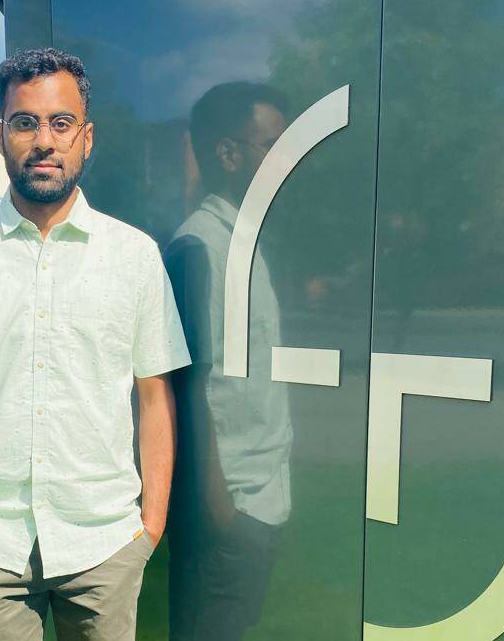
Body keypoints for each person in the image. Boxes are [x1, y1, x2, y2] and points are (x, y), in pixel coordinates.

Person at [0, 47, 191, 641]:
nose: (44, 140)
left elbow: (154, 395)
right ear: (2, 135)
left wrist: (149, 525)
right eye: (25, 122)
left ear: (86, 137)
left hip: (105, 543)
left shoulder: (133, 257)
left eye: (61, 123)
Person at [165, 82, 292, 641]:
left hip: (260, 495)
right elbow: (186, 388)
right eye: (272, 145)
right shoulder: (200, 248)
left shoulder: (245, 241)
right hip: (229, 506)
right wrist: (219, 510)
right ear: (229, 153)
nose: (284, 161)